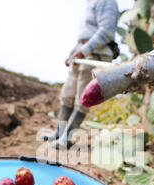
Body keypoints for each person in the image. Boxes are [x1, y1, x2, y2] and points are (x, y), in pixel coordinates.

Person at [41, 0, 120, 149]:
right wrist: (74, 53)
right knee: (68, 94)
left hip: (96, 54)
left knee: (82, 97)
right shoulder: (92, 3)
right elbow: (84, 36)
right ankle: (59, 132)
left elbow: (107, 31)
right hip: (83, 53)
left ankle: (67, 137)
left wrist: (83, 51)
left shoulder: (107, 2)